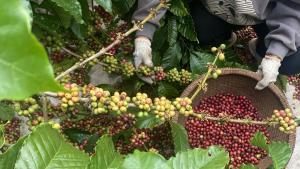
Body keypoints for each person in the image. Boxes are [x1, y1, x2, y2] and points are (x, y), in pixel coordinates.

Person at [132, 0, 300, 90]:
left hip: (265, 16)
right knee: (201, 32)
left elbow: (293, 8)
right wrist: (143, 36)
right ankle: (222, 36)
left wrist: (275, 54)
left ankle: (259, 47)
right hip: (216, 11)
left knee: (292, 60)